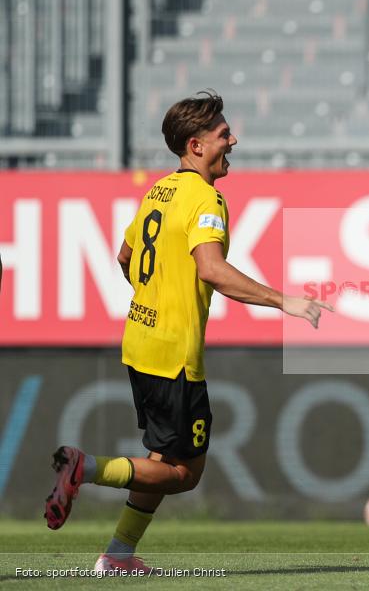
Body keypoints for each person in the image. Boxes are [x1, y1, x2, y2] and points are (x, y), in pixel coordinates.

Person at [43, 90, 333, 574]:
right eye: (223, 134)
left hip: (140, 343)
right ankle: (84, 467)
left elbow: (125, 256)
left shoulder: (159, 191)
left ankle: (118, 555)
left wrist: (156, 296)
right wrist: (286, 301)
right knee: (183, 474)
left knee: (160, 458)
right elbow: (212, 270)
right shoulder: (205, 198)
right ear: (196, 145)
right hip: (174, 354)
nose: (232, 141)